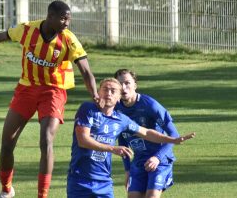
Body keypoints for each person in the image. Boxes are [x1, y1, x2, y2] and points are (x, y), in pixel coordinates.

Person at [0, 0, 100, 198]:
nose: (67, 23)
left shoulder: (69, 40)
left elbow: (86, 71)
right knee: (7, 143)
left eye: (69, 19)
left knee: (46, 140)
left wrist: (94, 93)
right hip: (26, 89)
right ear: (50, 17)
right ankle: (6, 190)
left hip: (53, 91)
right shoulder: (27, 30)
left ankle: (42, 195)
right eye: (63, 18)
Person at [67, 78, 195, 198]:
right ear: (98, 92)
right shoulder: (88, 109)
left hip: (104, 182)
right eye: (105, 89)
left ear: (119, 98)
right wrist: (112, 149)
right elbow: (83, 140)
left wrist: (172, 139)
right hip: (80, 179)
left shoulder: (121, 119)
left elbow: (146, 133)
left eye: (113, 91)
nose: (109, 93)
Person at [114, 68, 181, 198]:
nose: (123, 87)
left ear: (135, 85)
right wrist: (127, 170)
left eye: (127, 83)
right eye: (119, 84)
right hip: (139, 161)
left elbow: (174, 135)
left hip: (160, 160)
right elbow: (122, 139)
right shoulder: (116, 109)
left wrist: (158, 157)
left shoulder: (150, 105)